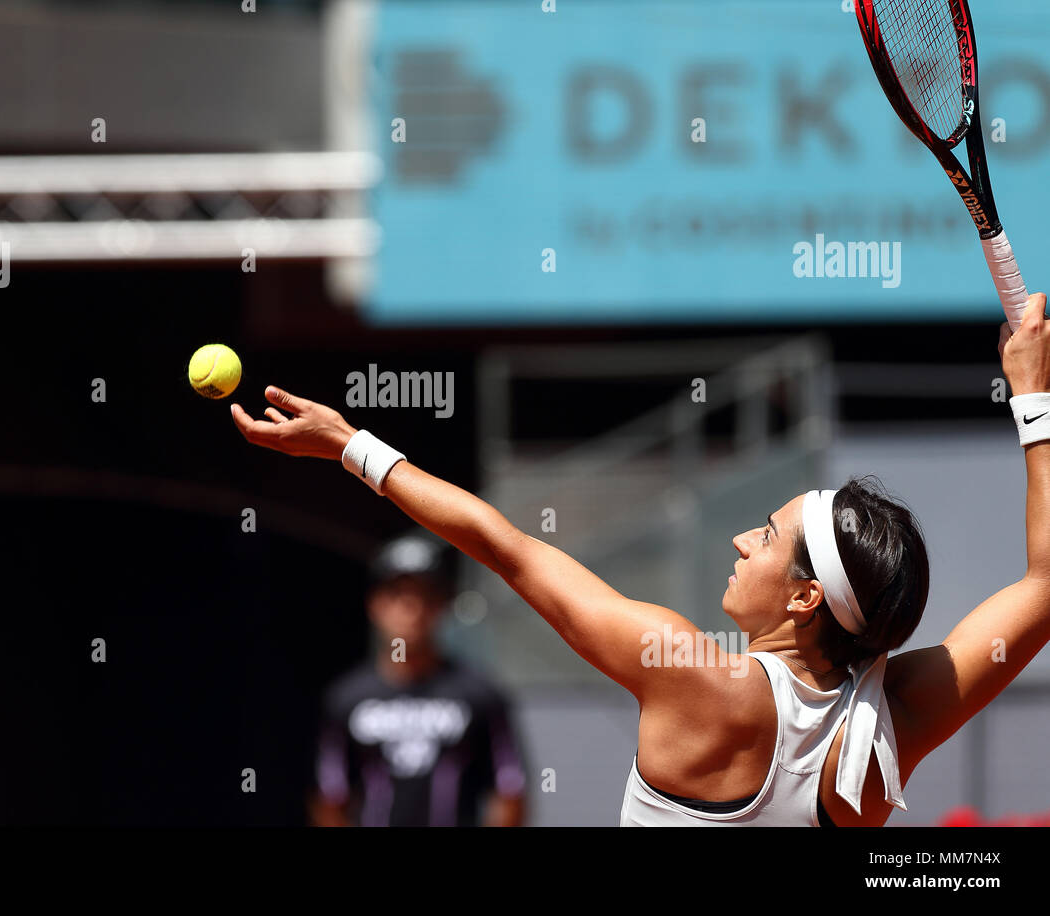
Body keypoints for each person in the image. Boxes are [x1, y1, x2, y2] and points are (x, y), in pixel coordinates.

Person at [231, 294, 1050, 826]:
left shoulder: (697, 675)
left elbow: (505, 548)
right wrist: (1034, 395)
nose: (740, 541)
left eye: (764, 536)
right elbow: (1045, 585)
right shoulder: (897, 724)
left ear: (804, 599)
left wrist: (350, 446)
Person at [310, 532, 527, 826]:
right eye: (398, 594)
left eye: (425, 595)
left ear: (443, 605)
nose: (411, 609)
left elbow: (509, 789)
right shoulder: (346, 698)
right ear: (375, 605)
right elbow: (330, 796)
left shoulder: (479, 693)